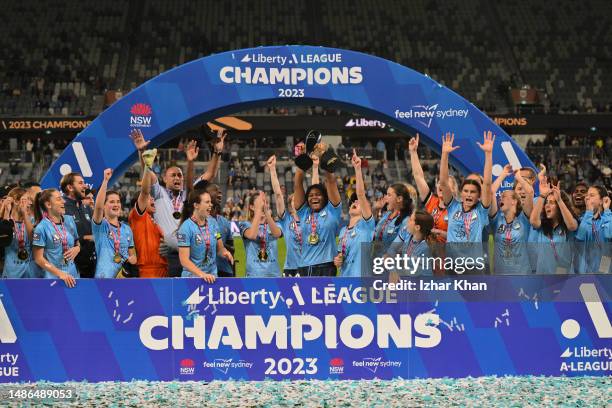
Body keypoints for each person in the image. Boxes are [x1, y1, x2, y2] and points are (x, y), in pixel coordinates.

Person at [130, 128, 225, 277]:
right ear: (164, 178)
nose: (177, 178)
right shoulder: (159, 193)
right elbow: (146, 173)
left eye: (180, 175)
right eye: (173, 175)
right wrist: (143, 152)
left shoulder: (190, 194)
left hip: (190, 254)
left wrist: (217, 152)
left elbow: (210, 174)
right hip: (166, 255)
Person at [439, 131, 494, 275]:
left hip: (473, 267)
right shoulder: (453, 207)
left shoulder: (481, 211)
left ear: (478, 196)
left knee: (475, 298)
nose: (469, 194)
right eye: (466, 191)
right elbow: (444, 183)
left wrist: (488, 154)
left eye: (473, 192)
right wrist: (445, 155)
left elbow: (487, 184)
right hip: (452, 266)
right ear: (461, 192)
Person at [409, 133, 457, 275]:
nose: (441, 186)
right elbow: (418, 176)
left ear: (454, 189)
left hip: (449, 259)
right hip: (428, 258)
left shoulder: (458, 209)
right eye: (439, 184)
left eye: (446, 184)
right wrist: (413, 152)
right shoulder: (432, 202)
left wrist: (438, 232)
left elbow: (463, 237)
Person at [293, 156, 342, 276]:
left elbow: (331, 182)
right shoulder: (304, 212)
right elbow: (297, 184)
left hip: (326, 267)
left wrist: (326, 165)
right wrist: (301, 166)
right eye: (310, 195)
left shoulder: (332, 211)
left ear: (325, 198)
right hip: (304, 267)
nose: (314, 197)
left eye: (318, 195)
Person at [333, 150, 374, 277]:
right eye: (353, 201)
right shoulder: (343, 231)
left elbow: (361, 194)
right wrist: (338, 260)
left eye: (360, 202)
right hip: (345, 281)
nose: (355, 201)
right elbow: (341, 255)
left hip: (362, 280)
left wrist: (357, 169)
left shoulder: (367, 225)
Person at [177, 190, 233, 281]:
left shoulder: (213, 223)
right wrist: (202, 274)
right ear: (196, 205)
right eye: (207, 202)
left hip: (212, 278)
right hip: (192, 280)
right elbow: (184, 260)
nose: (211, 205)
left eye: (210, 202)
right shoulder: (185, 228)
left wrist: (225, 253)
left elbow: (220, 249)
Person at [128, 150, 168, 278]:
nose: (153, 200)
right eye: (150, 198)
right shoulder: (138, 217)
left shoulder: (154, 220)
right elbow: (145, 191)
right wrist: (147, 166)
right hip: (148, 271)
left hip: (164, 268)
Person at [488, 165, 534, 274]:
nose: (500, 198)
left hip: (522, 274)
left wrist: (518, 178)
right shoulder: (497, 220)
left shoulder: (523, 219)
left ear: (514, 201)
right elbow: (491, 192)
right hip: (501, 276)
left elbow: (530, 193)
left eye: (504, 196)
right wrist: (503, 174)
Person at [92, 169, 137, 278]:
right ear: (104, 205)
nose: (116, 204)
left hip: (124, 279)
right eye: (111, 202)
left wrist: (133, 259)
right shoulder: (100, 226)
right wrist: (105, 181)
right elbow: (98, 207)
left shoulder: (127, 229)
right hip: (105, 278)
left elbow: (133, 255)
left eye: (118, 201)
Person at [32, 189, 80, 287]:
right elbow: (38, 259)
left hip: (73, 276)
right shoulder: (41, 228)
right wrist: (60, 274)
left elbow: (77, 242)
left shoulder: (69, 220)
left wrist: (77, 248)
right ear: (48, 205)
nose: (64, 201)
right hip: (54, 279)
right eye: (59, 199)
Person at [529, 180, 578, 274]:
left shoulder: (568, 223)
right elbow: (533, 221)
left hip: (564, 276)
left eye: (551, 202)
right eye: (546, 202)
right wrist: (542, 196)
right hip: (543, 277)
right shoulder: (542, 225)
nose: (547, 205)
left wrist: (559, 200)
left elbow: (572, 226)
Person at [268, 155, 302, 276]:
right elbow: (278, 194)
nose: (297, 201)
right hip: (290, 268)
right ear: (290, 203)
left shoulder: (309, 219)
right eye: (294, 199)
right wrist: (272, 169)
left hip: (307, 266)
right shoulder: (286, 218)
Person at [61, 172, 96, 278]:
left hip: (91, 265)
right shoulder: (62, 208)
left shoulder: (86, 207)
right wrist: (85, 238)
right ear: (70, 187)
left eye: (84, 183)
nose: (85, 186)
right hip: (72, 267)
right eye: (80, 183)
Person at [239, 191, 282, 277]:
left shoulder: (275, 224)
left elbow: (277, 234)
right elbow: (252, 235)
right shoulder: (245, 224)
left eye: (265, 202)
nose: (263, 205)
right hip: (254, 275)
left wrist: (266, 212)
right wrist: (259, 210)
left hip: (273, 274)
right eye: (260, 203)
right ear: (251, 207)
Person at [575, 185, 611, 273]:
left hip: (605, 272)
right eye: (587, 195)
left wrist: (607, 210)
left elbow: (609, 234)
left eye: (591, 195)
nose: (587, 198)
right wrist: (589, 212)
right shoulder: (581, 219)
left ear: (601, 200)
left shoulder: (608, 217)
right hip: (585, 272)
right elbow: (580, 238)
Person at [1, 188, 35, 278]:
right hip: (11, 274)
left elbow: (35, 240)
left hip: (31, 274)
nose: (30, 203)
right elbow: (4, 241)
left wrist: (25, 214)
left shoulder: (33, 221)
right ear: (16, 201)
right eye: (26, 199)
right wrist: (6, 213)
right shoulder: (6, 223)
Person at [390, 210, 435, 276]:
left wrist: (395, 271)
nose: (408, 221)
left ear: (417, 227)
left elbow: (414, 272)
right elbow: (393, 249)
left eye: (411, 220)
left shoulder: (424, 247)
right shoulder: (408, 235)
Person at [204, 183, 235, 278]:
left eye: (220, 190)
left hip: (225, 270)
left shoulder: (225, 222)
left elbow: (232, 248)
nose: (220, 192)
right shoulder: (196, 221)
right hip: (205, 272)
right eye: (216, 190)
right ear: (206, 194)